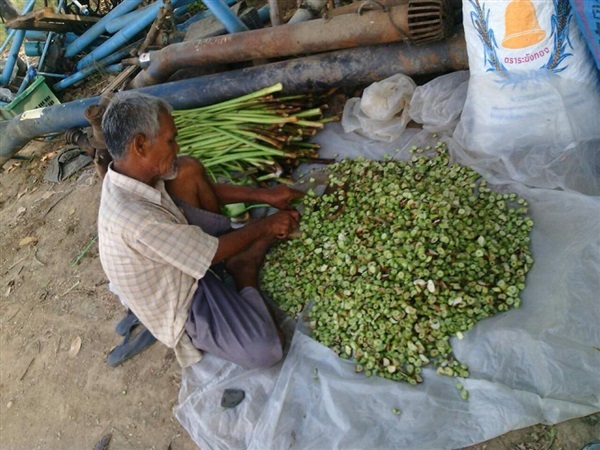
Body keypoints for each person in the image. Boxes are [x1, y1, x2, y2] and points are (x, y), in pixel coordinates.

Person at [98, 91, 302, 369]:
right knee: (266, 349)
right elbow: (211, 253)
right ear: (141, 145)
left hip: (178, 253)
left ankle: (235, 255)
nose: (177, 147)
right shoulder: (138, 221)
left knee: (188, 170)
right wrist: (267, 225)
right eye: (171, 140)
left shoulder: (130, 175)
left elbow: (197, 187)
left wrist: (265, 196)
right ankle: (244, 269)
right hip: (181, 299)